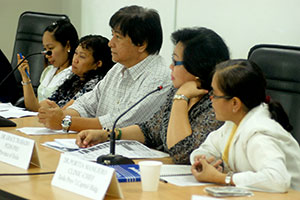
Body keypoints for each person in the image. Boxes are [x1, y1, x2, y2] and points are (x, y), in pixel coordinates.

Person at [76, 27, 230, 164]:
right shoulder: (177, 91)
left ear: (197, 67)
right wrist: (106, 135)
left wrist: (180, 100)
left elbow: (182, 154)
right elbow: (149, 130)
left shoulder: (216, 104)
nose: (170, 66)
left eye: (175, 62)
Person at [38, 5, 172, 132]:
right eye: (112, 34)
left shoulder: (158, 79)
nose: (110, 43)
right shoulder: (118, 68)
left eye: (118, 37)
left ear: (141, 44)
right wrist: (57, 115)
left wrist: (65, 121)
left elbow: (118, 123)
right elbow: (87, 103)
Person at [190, 59, 300, 192]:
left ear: (235, 103)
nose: (210, 99)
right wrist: (203, 160)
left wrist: (222, 178)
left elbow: (277, 179)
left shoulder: (259, 134)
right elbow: (208, 148)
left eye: (215, 94)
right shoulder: (233, 123)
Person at [18, 19, 78, 111]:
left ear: (67, 45)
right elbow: (33, 107)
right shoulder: (49, 71)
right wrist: (25, 77)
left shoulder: (74, 74)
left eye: (50, 48)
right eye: (44, 49)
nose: (46, 55)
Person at [40, 34, 114, 109]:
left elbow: (62, 114)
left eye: (82, 56)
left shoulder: (95, 85)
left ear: (98, 64)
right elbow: (45, 104)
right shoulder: (74, 78)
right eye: (75, 53)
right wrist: (27, 80)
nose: (75, 60)